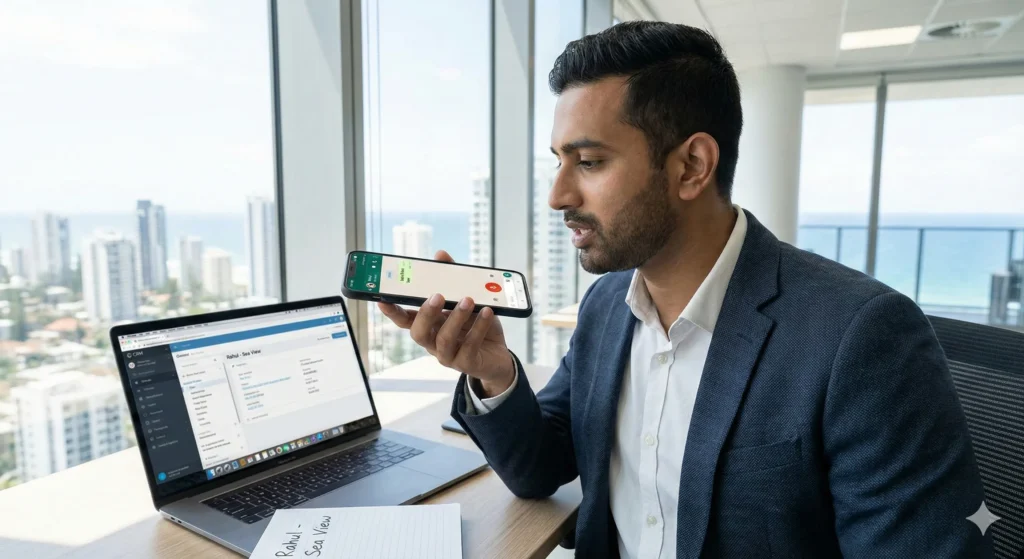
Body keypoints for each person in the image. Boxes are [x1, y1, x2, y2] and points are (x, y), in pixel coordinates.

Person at [379, 21, 990, 559]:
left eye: (588, 162)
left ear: (692, 166)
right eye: (558, 161)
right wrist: (494, 373)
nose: (558, 195)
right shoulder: (606, 305)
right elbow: (542, 466)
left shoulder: (861, 336)